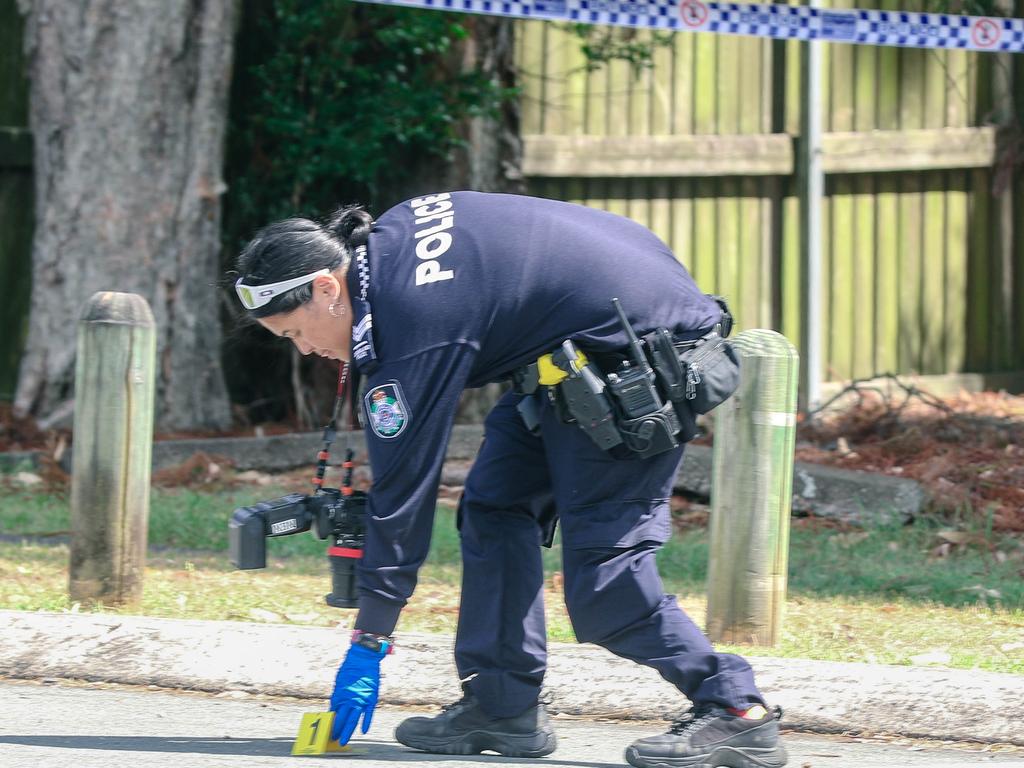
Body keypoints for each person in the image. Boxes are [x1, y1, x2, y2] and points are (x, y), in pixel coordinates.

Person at [233, 191, 788, 768]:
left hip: (637, 363)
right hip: (574, 355)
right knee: (495, 509)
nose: (307, 350)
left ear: (327, 288)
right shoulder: (386, 244)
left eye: (296, 332)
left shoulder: (413, 321)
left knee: (607, 582)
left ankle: (735, 711)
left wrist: (369, 644)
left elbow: (403, 501)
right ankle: (502, 706)